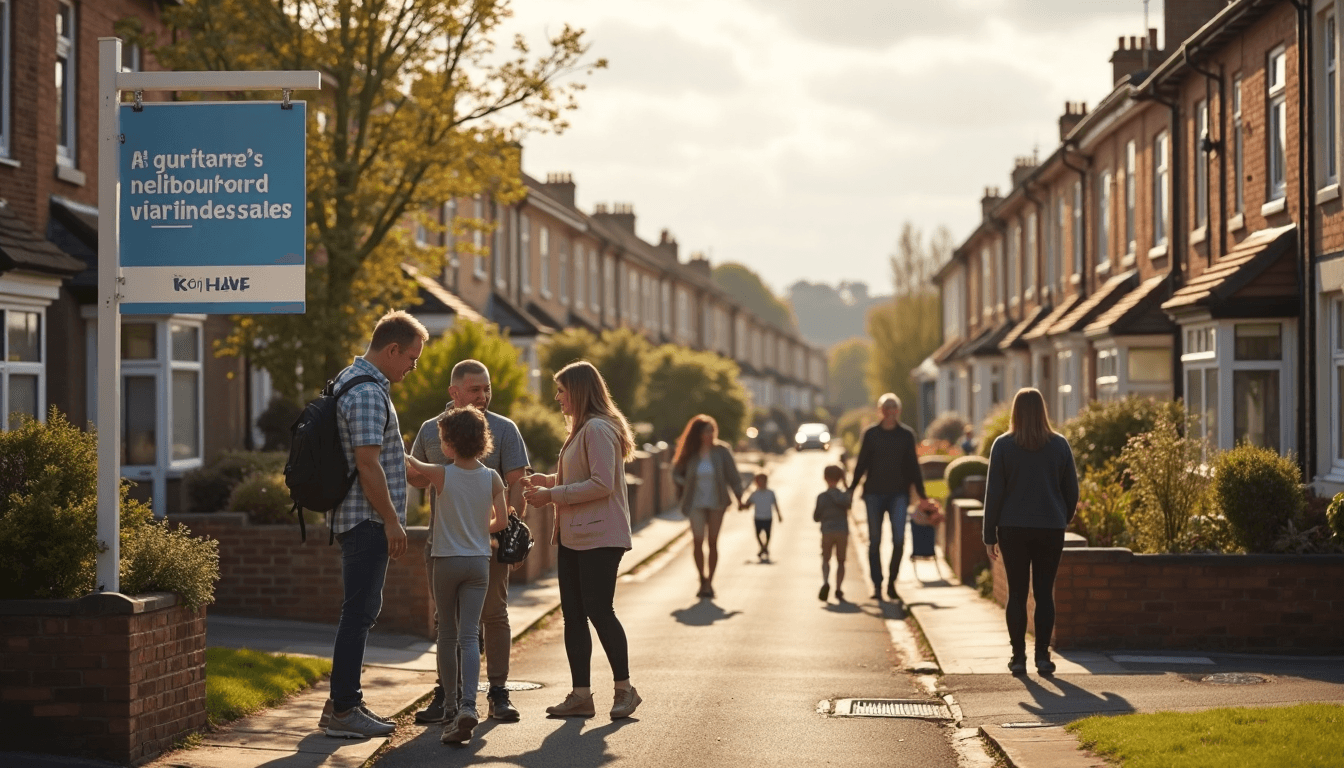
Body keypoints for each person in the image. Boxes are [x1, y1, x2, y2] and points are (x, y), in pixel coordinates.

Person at [320, 310, 426, 739]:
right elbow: (367, 464)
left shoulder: (352, 381)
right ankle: (345, 710)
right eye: (412, 358)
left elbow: (380, 455)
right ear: (392, 349)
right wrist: (391, 521)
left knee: (360, 611)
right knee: (359, 613)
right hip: (365, 519)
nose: (413, 367)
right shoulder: (366, 392)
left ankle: (340, 703)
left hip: (359, 518)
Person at [408, 360, 530, 724]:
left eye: (487, 389)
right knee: (446, 622)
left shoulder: (505, 429)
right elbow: (415, 478)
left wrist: (511, 539)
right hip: (442, 542)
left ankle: (498, 692)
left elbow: (517, 486)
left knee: (494, 615)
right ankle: (447, 692)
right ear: (454, 392)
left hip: (488, 545)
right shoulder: (432, 430)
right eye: (475, 389)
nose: (484, 396)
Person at [522, 361, 642, 720]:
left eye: (561, 390)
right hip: (577, 535)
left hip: (600, 537)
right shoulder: (584, 429)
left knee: (599, 611)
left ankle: (625, 691)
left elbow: (602, 483)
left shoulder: (597, 428)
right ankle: (580, 696)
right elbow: (585, 473)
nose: (557, 397)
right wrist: (551, 479)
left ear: (579, 390)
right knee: (574, 616)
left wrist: (553, 495)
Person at [405, 407, 510, 744]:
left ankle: (451, 708)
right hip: (479, 563)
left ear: (449, 444)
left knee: (446, 634)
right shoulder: (492, 478)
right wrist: (483, 531)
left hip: (445, 561)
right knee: (469, 636)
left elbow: (411, 464)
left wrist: (397, 445)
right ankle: (470, 705)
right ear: (483, 441)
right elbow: (503, 523)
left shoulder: (441, 473)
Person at [983, 388, 1079, 676]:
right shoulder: (1060, 445)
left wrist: (990, 535)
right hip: (1050, 528)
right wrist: (1062, 517)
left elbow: (994, 494)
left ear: (1015, 412)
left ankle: (1018, 658)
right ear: (1042, 411)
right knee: (1044, 593)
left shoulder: (1002, 446)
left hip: (1012, 529)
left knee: (1017, 593)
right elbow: (1071, 491)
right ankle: (1043, 658)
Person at [849, 393, 935, 602]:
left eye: (894, 407)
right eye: (886, 407)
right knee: (875, 541)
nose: (890, 411)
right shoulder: (870, 434)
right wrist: (851, 490)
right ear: (880, 410)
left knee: (898, 540)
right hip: (873, 495)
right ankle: (877, 585)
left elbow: (914, 467)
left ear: (898, 411)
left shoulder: (906, 435)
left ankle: (891, 584)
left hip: (898, 494)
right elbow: (862, 463)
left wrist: (922, 496)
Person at [671, 415, 745, 598]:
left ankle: (710, 582)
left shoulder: (722, 451)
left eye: (712, 431)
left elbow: (733, 476)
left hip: (717, 502)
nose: (710, 435)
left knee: (713, 542)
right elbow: (675, 473)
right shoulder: (691, 452)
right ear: (699, 434)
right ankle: (701, 578)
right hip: (695, 503)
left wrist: (739, 498)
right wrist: (686, 483)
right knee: (697, 541)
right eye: (706, 432)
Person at [814, 465, 851, 603]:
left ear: (825, 478)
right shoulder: (844, 496)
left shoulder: (822, 497)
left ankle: (825, 581)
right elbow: (849, 504)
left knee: (826, 558)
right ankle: (839, 588)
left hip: (827, 531)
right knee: (841, 561)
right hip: (842, 531)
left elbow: (816, 517)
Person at [740, 473, 782, 562]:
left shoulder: (771, 493)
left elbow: (775, 504)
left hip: (768, 517)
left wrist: (779, 515)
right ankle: (763, 548)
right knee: (758, 534)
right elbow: (748, 504)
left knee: (768, 534)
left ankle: (764, 548)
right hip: (758, 517)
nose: (761, 483)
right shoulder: (755, 494)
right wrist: (742, 506)